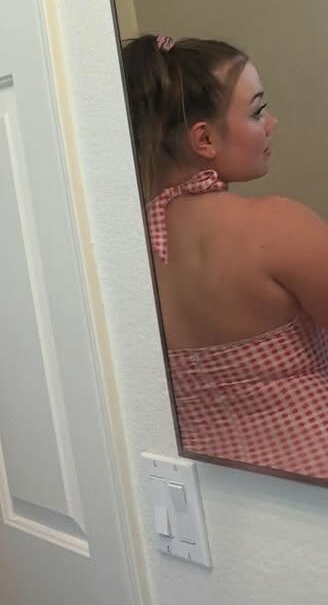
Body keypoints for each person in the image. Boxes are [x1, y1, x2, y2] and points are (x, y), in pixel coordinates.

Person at [122, 34, 328, 479]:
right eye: (256, 112)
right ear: (204, 138)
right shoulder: (277, 226)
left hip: (212, 493)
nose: (271, 123)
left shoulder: (125, 250)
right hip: (310, 486)